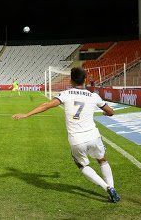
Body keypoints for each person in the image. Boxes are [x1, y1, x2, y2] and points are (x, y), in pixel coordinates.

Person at [12, 67, 120, 203]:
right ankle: (112, 187)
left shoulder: (66, 94)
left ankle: (107, 188)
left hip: (76, 139)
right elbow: (110, 112)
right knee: (102, 160)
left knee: (82, 165)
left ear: (71, 80)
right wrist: (106, 113)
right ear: (85, 80)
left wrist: (26, 114)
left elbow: (46, 105)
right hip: (93, 136)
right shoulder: (94, 96)